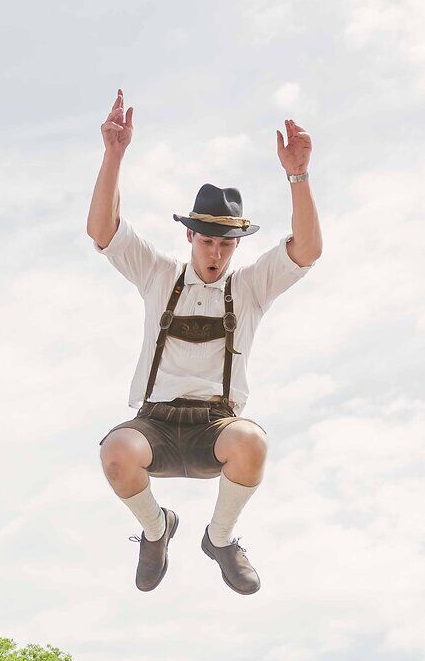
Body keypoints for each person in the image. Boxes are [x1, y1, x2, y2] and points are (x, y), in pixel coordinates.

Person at [88, 91, 322, 596]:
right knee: (115, 452)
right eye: (208, 241)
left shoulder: (250, 287)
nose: (215, 253)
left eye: (225, 243)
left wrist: (299, 176)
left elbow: (307, 250)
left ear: (236, 245)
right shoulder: (158, 275)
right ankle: (157, 530)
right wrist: (113, 154)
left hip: (216, 427)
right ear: (190, 238)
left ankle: (219, 539)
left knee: (252, 442)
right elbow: (102, 231)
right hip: (156, 423)